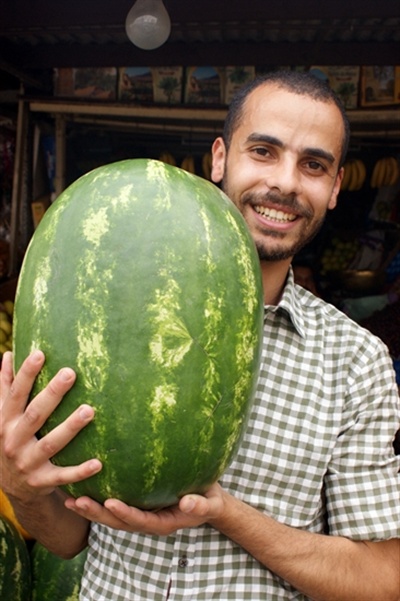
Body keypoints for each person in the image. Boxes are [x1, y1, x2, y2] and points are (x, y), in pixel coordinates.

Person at [1, 71, 399, 601]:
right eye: (263, 150)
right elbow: (71, 538)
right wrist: (21, 485)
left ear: (334, 188)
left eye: (313, 164)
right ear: (220, 158)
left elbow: (382, 580)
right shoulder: (104, 318)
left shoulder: (357, 362)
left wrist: (226, 514)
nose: (285, 181)